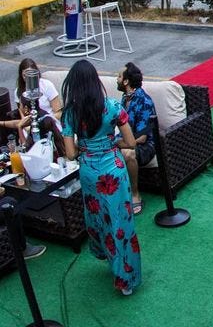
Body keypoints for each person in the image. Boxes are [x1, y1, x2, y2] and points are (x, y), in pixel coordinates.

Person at [60, 59, 141, 296]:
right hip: (113, 169)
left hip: (90, 173)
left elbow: (70, 153)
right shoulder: (113, 106)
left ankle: (112, 261)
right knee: (120, 222)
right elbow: (131, 143)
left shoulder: (70, 115)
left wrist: (85, 144)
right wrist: (110, 142)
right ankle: (126, 276)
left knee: (101, 220)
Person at [115, 63, 155, 216]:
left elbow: (142, 137)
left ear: (126, 81)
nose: (116, 79)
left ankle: (135, 194)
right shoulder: (125, 98)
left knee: (128, 153)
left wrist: (118, 143)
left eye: (119, 76)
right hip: (124, 141)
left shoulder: (144, 101)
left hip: (145, 146)